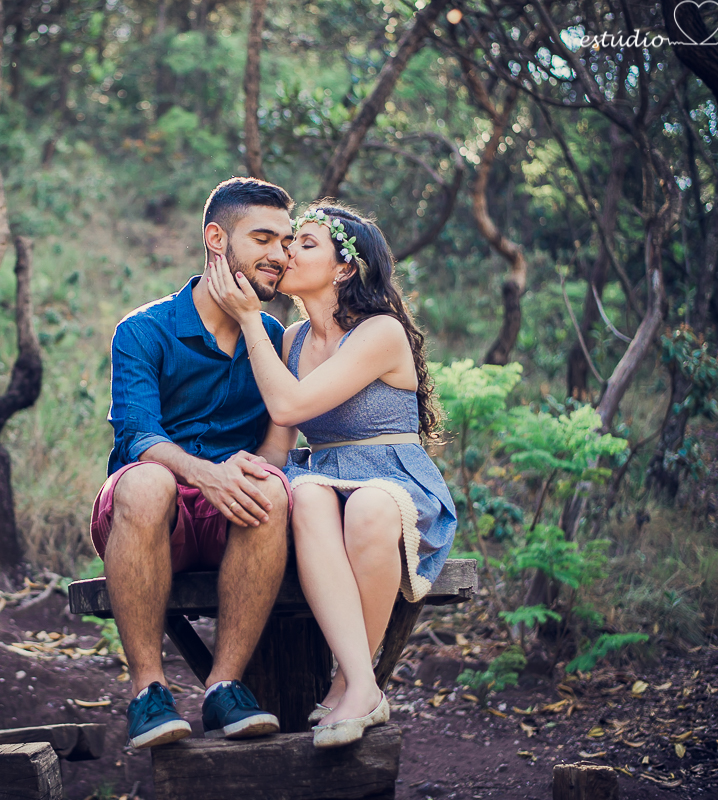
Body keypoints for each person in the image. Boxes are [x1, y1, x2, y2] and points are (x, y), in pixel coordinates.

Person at [207, 201, 457, 748]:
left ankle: (349, 682)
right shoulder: (292, 340)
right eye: (289, 242)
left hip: (389, 476)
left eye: (306, 243)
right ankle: (364, 687)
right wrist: (235, 469)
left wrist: (250, 318)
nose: (287, 251)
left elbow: (292, 405)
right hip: (321, 475)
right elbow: (280, 441)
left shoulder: (379, 332)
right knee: (311, 494)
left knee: (366, 507)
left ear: (345, 268)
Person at [92, 177, 299, 749]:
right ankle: (148, 693)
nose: (279, 255)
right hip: (150, 517)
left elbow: (276, 450)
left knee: (271, 488)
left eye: (286, 241)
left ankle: (224, 687)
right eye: (263, 238)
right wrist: (205, 474)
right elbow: (136, 435)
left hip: (230, 517)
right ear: (216, 238)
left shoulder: (274, 337)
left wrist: (249, 470)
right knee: (148, 483)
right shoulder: (144, 330)